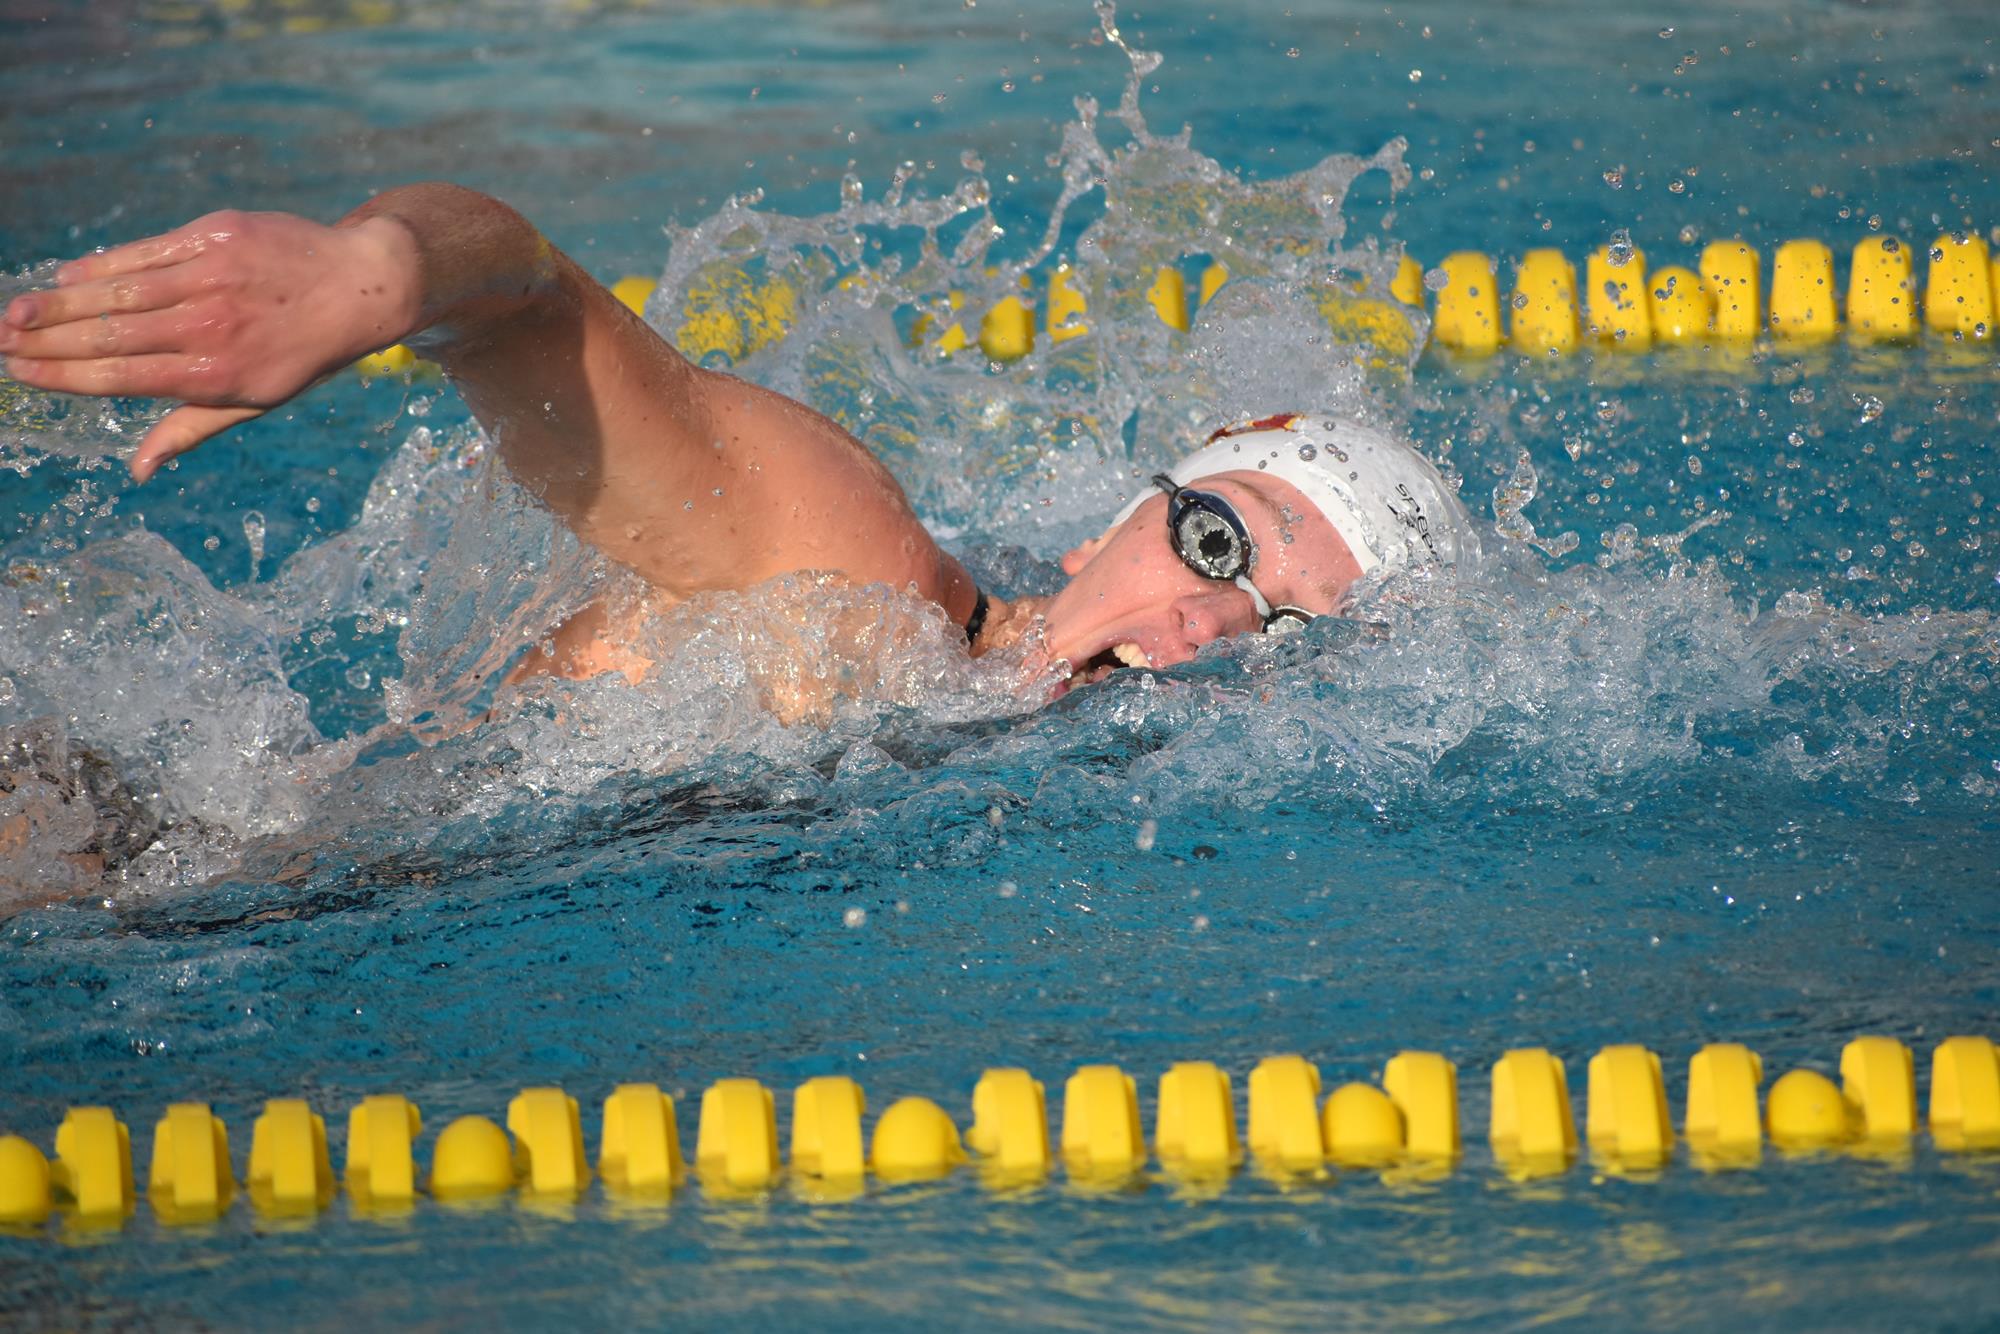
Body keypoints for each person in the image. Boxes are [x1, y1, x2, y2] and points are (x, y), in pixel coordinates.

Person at [0, 183, 1473, 706]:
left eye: (1286, 634)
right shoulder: (866, 584)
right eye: (1219, 541)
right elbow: (531, 298)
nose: (1213, 621)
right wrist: (375, 279)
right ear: (1107, 526)